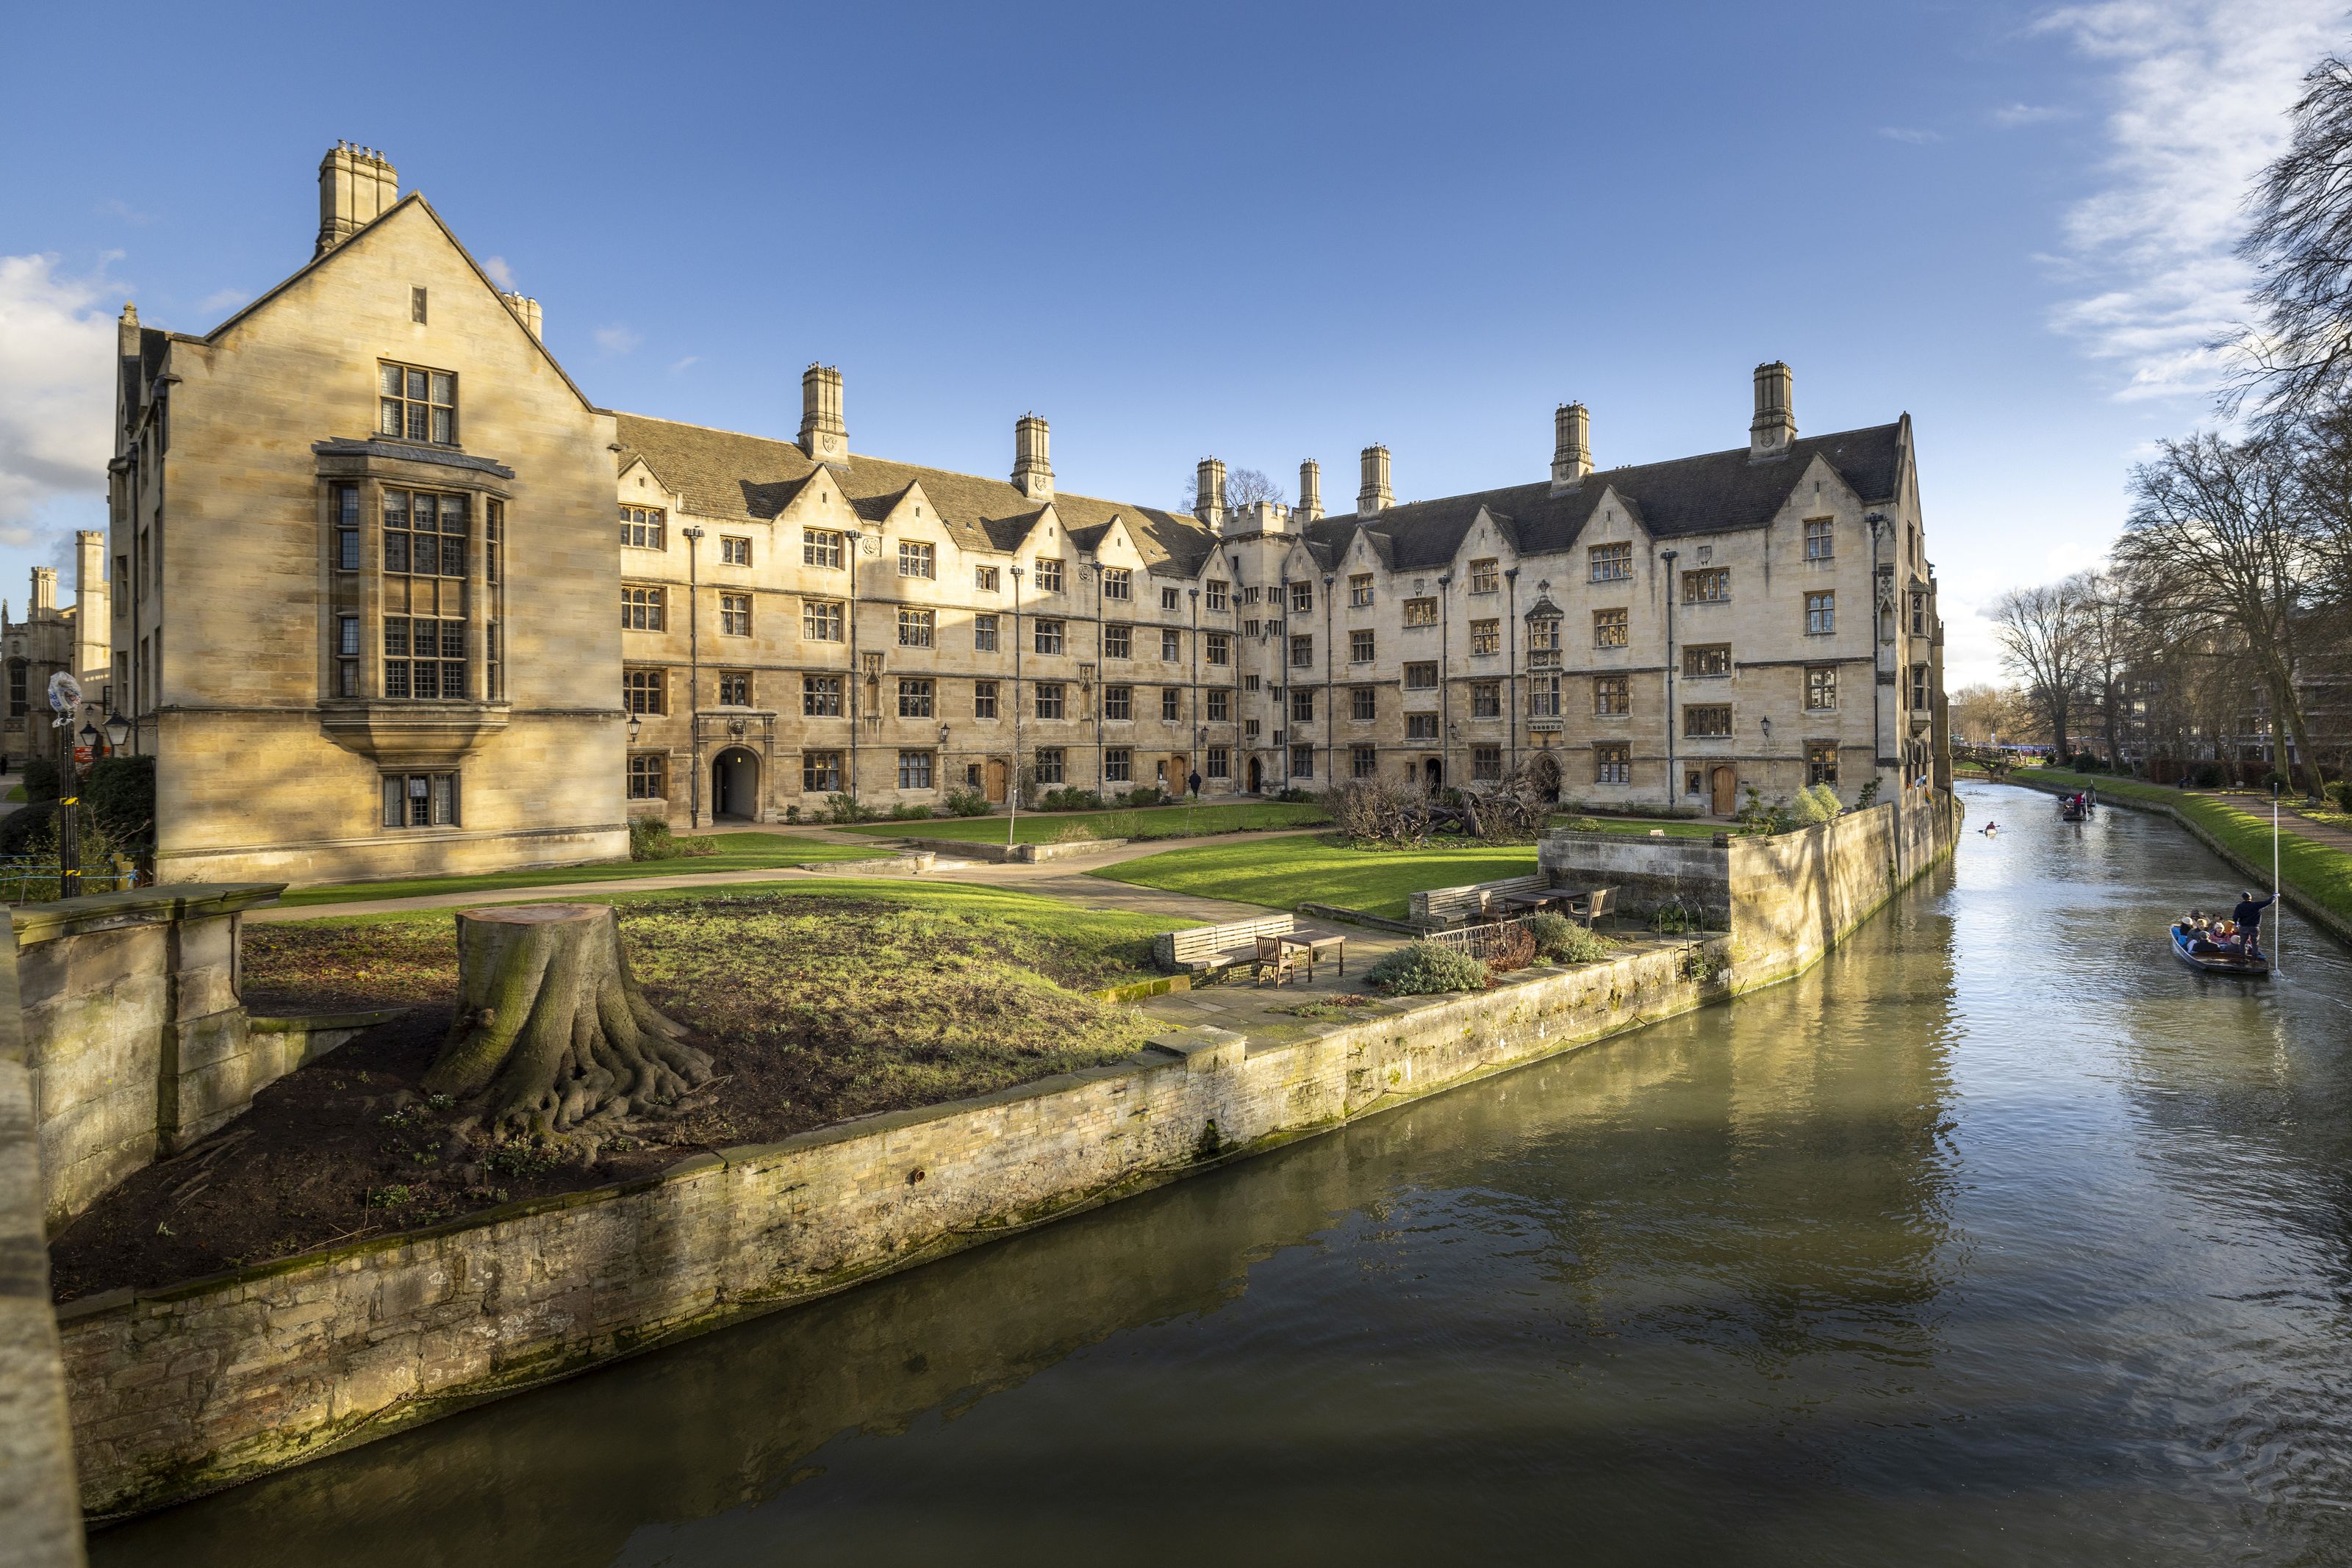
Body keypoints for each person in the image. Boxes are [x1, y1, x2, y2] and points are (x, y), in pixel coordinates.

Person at [2231, 889, 2280, 954]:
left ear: (2243, 898)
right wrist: (2274, 896)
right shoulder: (2256, 905)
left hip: (2244, 927)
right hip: (2254, 927)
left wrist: (2236, 923)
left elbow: (2235, 917)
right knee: (2255, 944)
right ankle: (2254, 958)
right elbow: (2269, 902)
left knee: (2242, 943)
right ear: (2251, 897)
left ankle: (2242, 957)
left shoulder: (2239, 906)